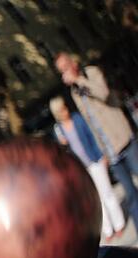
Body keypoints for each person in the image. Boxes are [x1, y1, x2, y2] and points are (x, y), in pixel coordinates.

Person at [55, 52, 138, 224]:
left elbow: (104, 93)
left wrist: (79, 80)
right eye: (61, 71)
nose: (65, 73)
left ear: (73, 62)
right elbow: (90, 122)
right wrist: (102, 150)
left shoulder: (91, 73)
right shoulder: (74, 92)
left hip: (124, 139)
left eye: (66, 67)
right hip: (110, 151)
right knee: (131, 195)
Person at [50, 97, 125, 240]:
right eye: (61, 110)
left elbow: (91, 136)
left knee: (107, 193)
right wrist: (62, 144)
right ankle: (108, 230)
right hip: (82, 169)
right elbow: (62, 153)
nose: (65, 111)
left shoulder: (77, 119)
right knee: (96, 199)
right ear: (57, 113)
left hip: (94, 160)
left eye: (65, 108)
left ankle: (119, 224)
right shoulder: (58, 130)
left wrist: (102, 155)